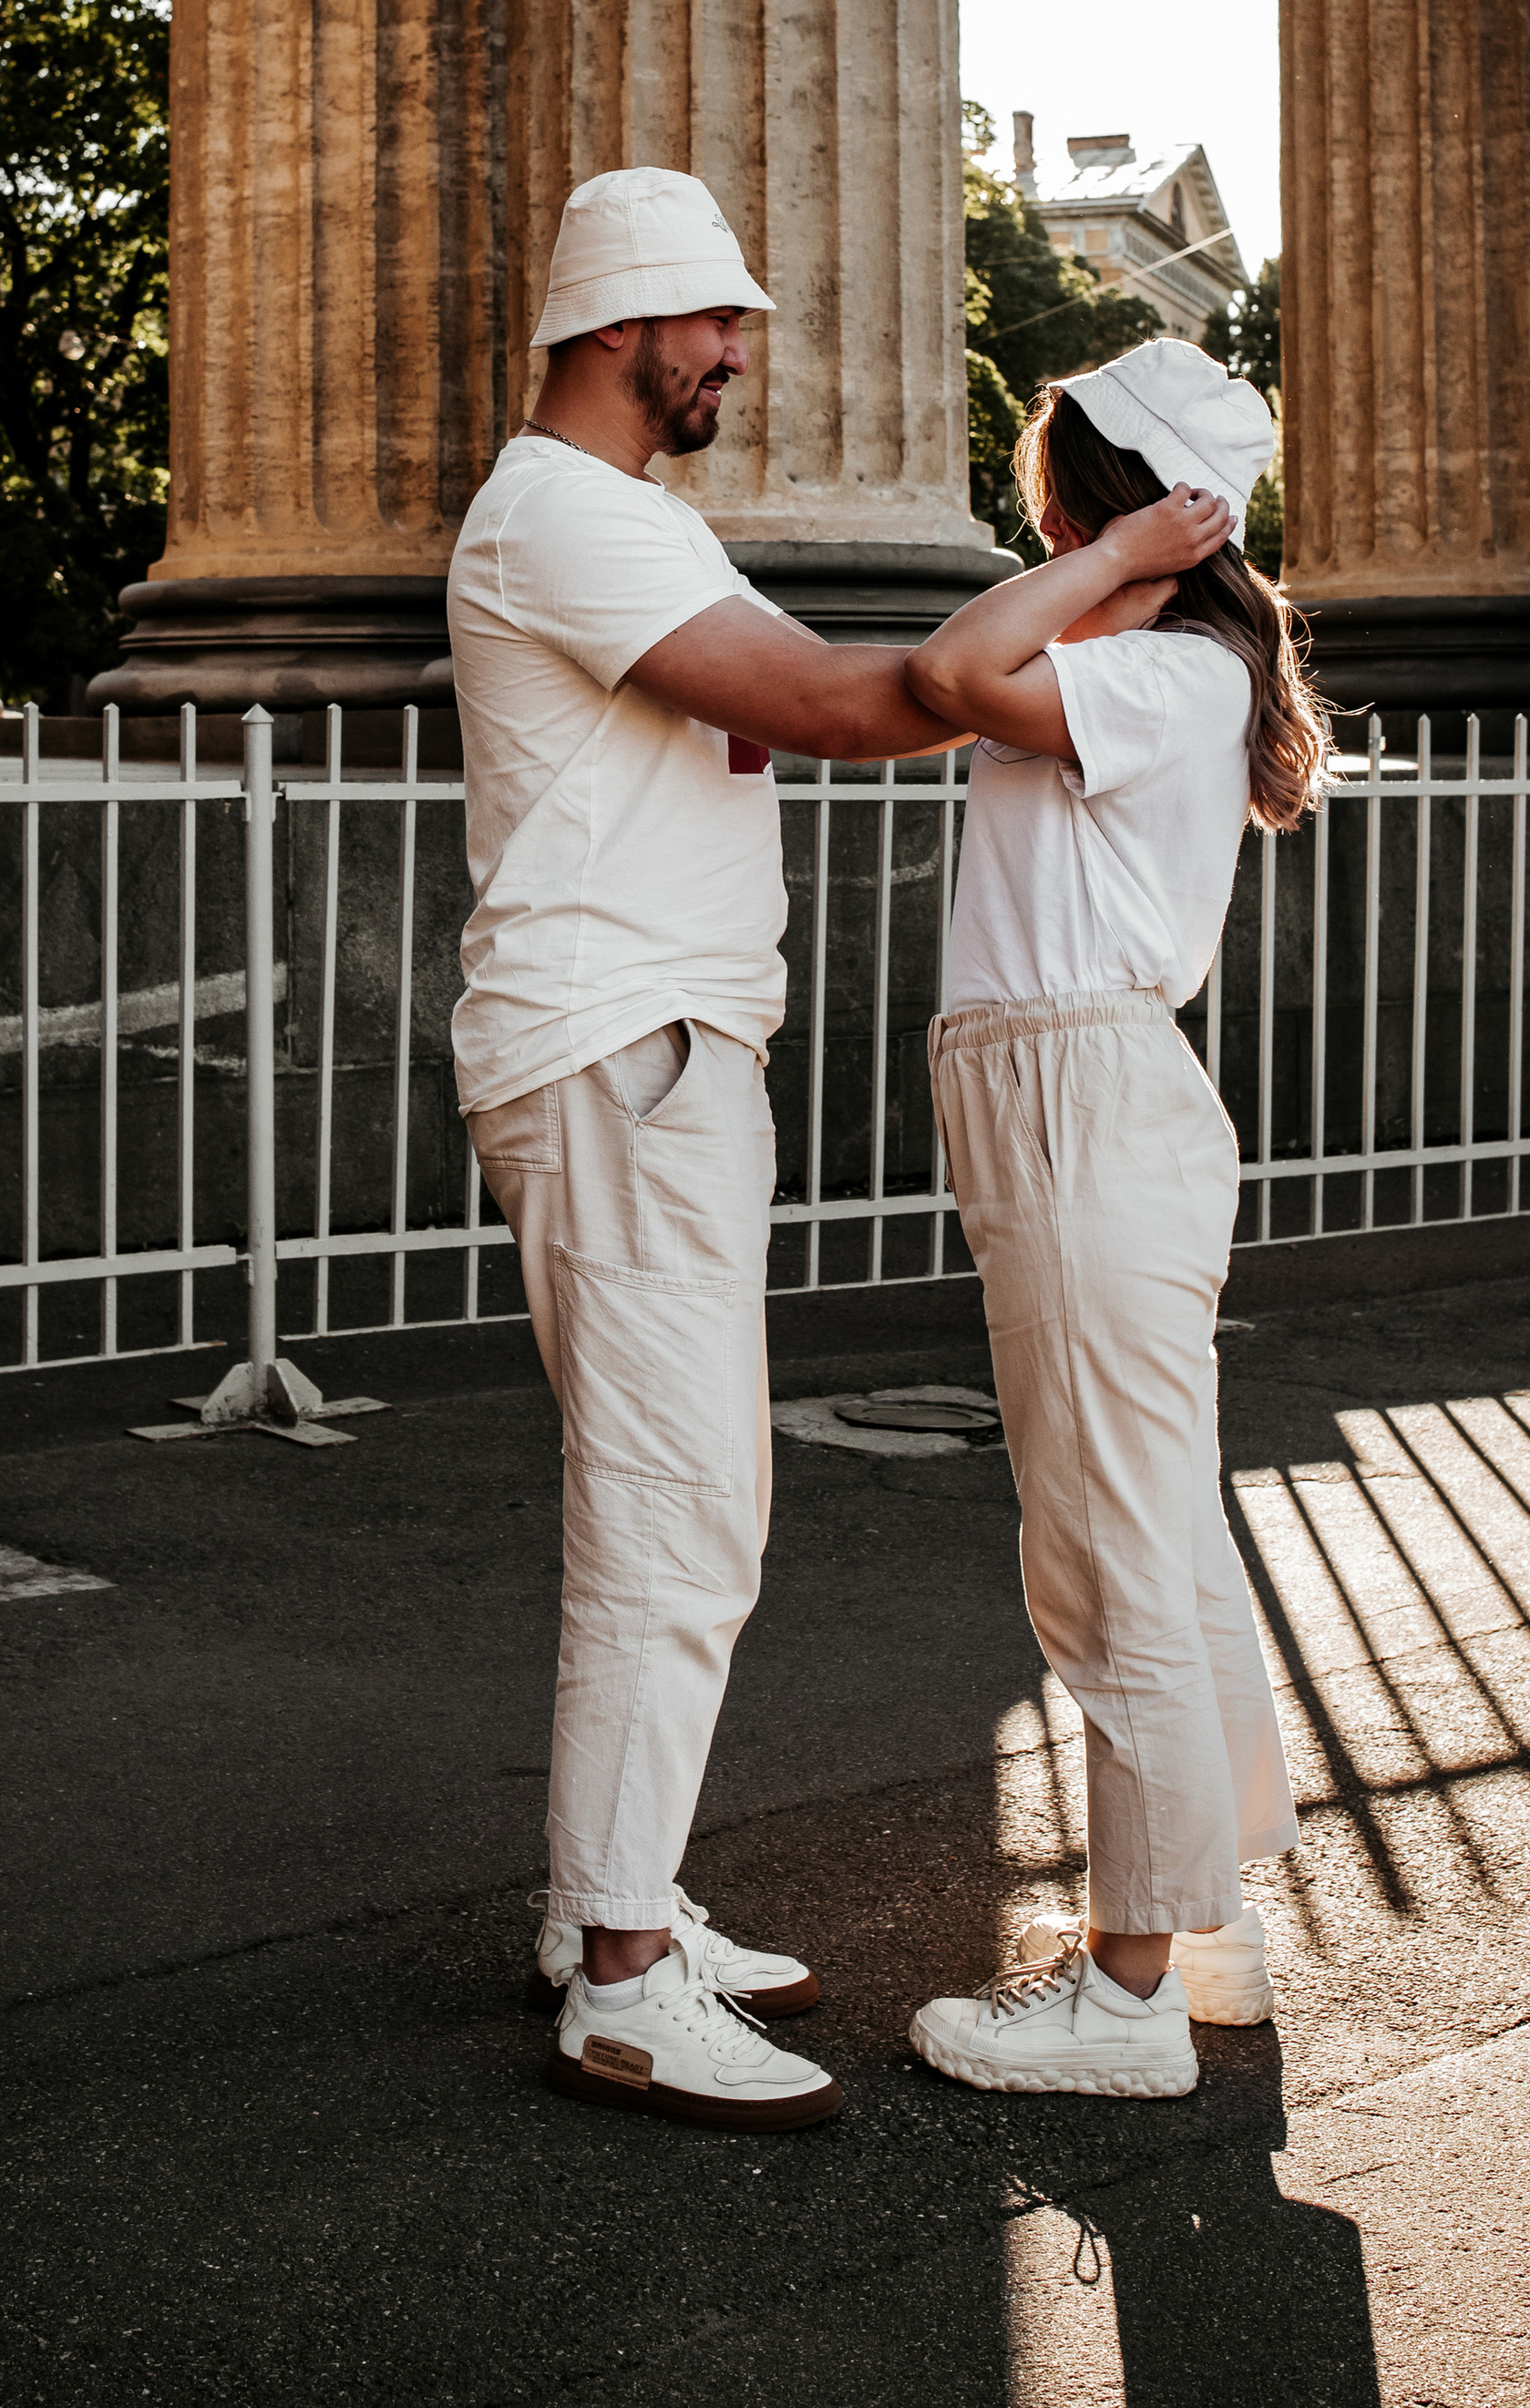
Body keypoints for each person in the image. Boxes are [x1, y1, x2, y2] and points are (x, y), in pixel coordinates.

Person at [448, 170, 1240, 2135]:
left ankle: (609, 1912)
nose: (733, 357)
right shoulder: (563, 511)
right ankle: (623, 1977)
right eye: (714, 325)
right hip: (622, 1046)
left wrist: (1070, 603)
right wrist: (1085, 583)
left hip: (664, 1045)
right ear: (627, 323)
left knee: (688, 1505)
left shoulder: (625, 518)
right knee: (677, 1512)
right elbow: (823, 700)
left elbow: (896, 689)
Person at [896, 337, 1329, 2102]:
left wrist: (1124, 549)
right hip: (1075, 1115)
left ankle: (1127, 1988)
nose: (1043, 522)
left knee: (1105, 1558)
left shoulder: (1156, 672)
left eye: (1060, 499)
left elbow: (943, 664)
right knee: (1151, 1530)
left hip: (1086, 1119)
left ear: (1131, 514)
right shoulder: (1146, 665)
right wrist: (1128, 557)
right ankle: (1194, 1926)